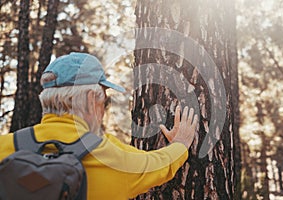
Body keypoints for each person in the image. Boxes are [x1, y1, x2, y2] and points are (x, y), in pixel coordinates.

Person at [0, 52, 198, 200]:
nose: (103, 109)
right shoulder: (111, 157)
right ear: (90, 98)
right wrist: (180, 144)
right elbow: (158, 165)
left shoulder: (3, 147)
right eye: (104, 100)